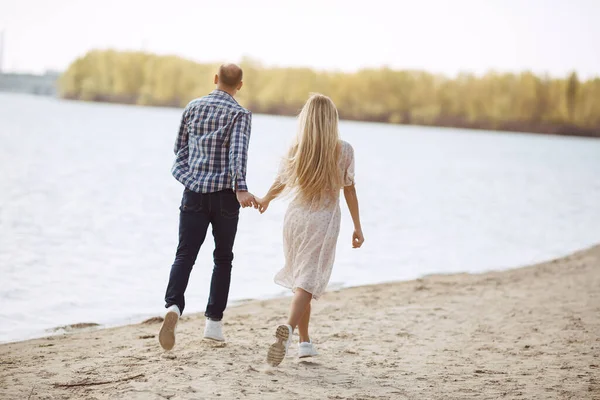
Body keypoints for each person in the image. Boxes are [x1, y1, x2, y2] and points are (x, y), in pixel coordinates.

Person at [255, 93, 364, 366]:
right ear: (332, 120)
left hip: (295, 219)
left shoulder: (297, 149)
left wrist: (266, 198)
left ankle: (305, 343)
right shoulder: (345, 150)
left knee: (302, 281)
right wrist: (357, 227)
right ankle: (289, 331)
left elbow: (281, 181)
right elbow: (349, 190)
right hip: (323, 221)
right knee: (307, 281)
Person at [159, 64, 257, 351]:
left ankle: (173, 306)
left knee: (185, 253)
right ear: (239, 85)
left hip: (193, 192)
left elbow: (180, 148)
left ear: (215, 80)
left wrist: (192, 179)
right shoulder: (240, 114)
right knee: (223, 258)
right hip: (226, 196)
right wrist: (241, 188)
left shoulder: (193, 107)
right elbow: (237, 154)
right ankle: (213, 324)